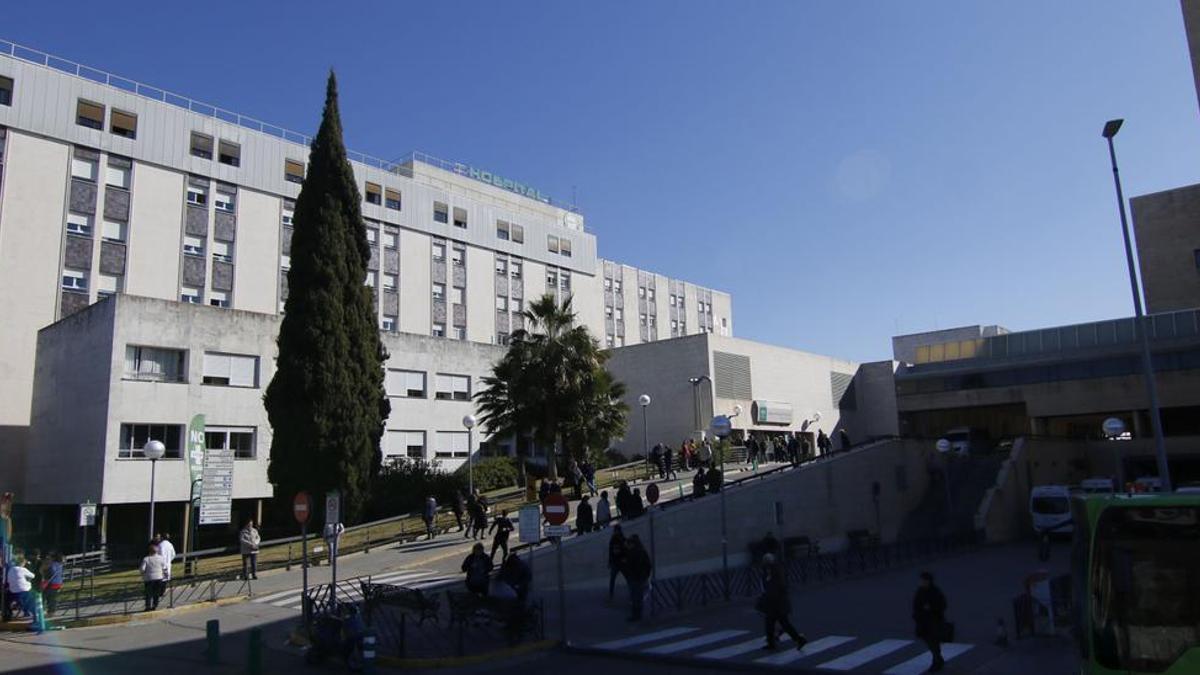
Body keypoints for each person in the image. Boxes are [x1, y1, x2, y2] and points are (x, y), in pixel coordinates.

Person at [758, 553, 807, 651]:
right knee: (778, 623)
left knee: (778, 623)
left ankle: (797, 639)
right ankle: (795, 639)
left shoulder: (774, 572)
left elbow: (775, 588)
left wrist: (768, 596)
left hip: (777, 604)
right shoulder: (771, 571)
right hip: (776, 603)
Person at [912, 571, 948, 672]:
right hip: (923, 621)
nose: (922, 582)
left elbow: (943, 605)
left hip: (934, 621)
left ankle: (936, 661)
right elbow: (916, 604)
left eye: (924, 580)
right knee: (928, 641)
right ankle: (938, 658)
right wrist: (916, 615)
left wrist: (931, 607)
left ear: (929, 581)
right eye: (922, 580)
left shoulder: (935, 591)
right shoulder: (920, 591)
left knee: (933, 642)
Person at [624, 535, 652, 621]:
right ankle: (638, 615)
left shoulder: (632, 552)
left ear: (633, 543)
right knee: (638, 597)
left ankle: (636, 615)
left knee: (635, 597)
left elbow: (629, 566)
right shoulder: (641, 551)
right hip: (639, 577)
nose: (629, 545)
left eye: (630, 543)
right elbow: (648, 565)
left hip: (635, 578)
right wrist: (645, 575)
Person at [139, 543, 168, 611]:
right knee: (156, 593)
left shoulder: (146, 559)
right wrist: (166, 575)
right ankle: (155, 605)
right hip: (159, 577)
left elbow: (142, 569)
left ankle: (148, 606)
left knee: (148, 593)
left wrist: (143, 574)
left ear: (149, 551)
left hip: (149, 578)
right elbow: (164, 567)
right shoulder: (161, 558)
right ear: (157, 551)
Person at [607, 525, 626, 601]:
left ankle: (611, 594)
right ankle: (611, 594)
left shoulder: (618, 539)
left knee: (613, 579)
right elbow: (611, 551)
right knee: (613, 579)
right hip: (618, 562)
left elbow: (611, 551)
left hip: (618, 562)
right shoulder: (619, 538)